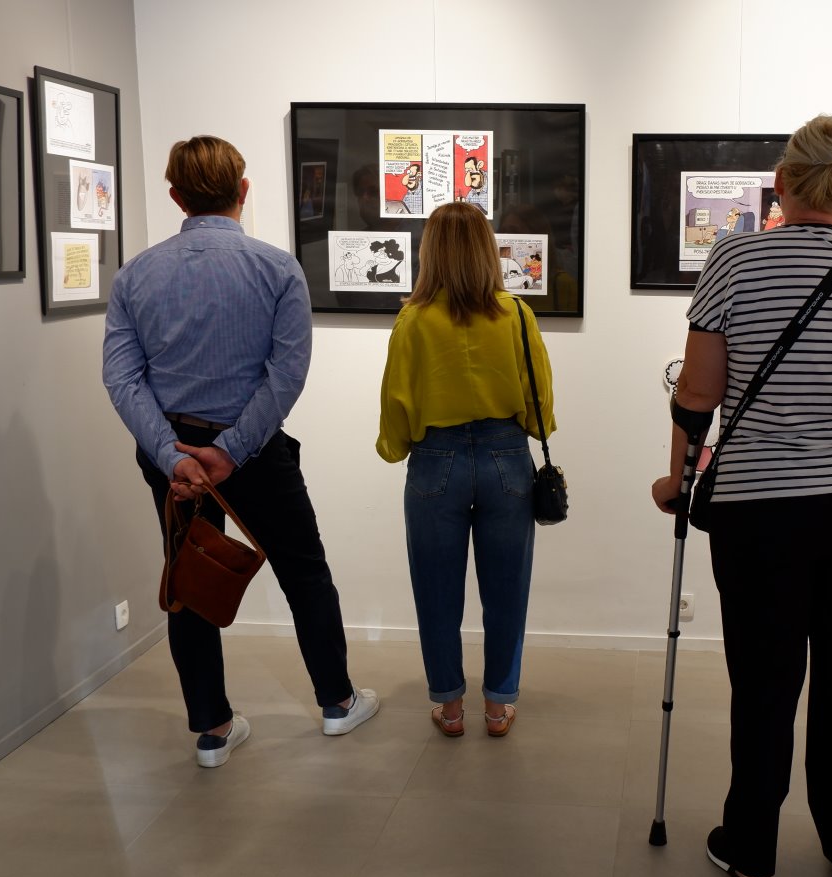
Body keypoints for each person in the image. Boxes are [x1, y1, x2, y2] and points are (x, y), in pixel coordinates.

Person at [652, 114, 832, 877]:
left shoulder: (734, 259)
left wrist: (677, 481)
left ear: (780, 183)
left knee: (766, 680)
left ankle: (752, 850)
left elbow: (698, 392)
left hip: (762, 508)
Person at [103, 135, 379, 769]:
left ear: (176, 196)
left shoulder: (136, 275)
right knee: (304, 571)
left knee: (190, 579)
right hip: (254, 452)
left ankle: (213, 730)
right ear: (243, 190)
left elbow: (122, 378)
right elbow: (287, 375)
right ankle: (337, 702)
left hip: (175, 456)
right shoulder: (278, 269)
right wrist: (228, 451)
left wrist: (174, 455)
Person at [376, 201, 556, 739]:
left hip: (436, 462)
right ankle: (497, 707)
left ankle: (451, 708)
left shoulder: (413, 320)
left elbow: (396, 402)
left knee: (436, 593)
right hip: (507, 458)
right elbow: (540, 404)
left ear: (430, 252)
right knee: (507, 591)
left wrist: (395, 447)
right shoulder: (516, 314)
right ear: (486, 251)